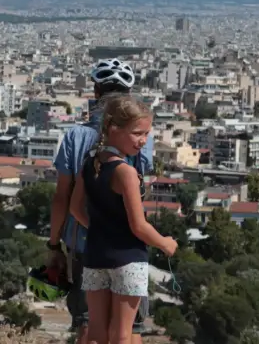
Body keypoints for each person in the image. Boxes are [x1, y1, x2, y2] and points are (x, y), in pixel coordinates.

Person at [48, 58, 154, 343]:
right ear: (128, 98)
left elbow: (62, 198)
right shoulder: (141, 137)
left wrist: (54, 243)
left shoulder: (76, 137)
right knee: (131, 327)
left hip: (84, 241)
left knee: (88, 324)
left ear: (96, 93)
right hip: (127, 242)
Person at [69, 94, 177, 344]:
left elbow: (75, 209)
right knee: (122, 335)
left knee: (95, 333)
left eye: (146, 134)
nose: (143, 141)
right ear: (114, 129)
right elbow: (138, 226)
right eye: (138, 133)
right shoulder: (126, 172)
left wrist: (99, 230)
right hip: (128, 259)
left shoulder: (90, 164)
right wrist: (165, 243)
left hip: (95, 255)